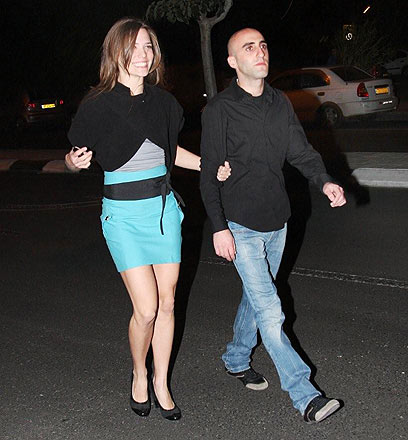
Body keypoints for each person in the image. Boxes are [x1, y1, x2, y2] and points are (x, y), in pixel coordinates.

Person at [65, 17, 231, 421]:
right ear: (116, 52)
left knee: (168, 303)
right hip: (123, 217)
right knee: (146, 309)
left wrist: (208, 165)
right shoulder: (97, 105)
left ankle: (161, 382)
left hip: (162, 212)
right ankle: (140, 372)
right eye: (134, 47)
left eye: (148, 47)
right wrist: (73, 162)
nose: (142, 55)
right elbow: (73, 156)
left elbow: (170, 153)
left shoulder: (164, 104)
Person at [200, 28, 347, 424]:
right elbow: (209, 173)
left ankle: (235, 358)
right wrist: (219, 226)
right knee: (270, 309)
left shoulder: (279, 102)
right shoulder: (220, 109)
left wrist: (324, 181)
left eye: (263, 45)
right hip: (240, 224)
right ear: (233, 62)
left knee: (256, 296)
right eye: (249, 47)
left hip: (277, 221)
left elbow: (301, 151)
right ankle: (305, 396)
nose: (260, 51)